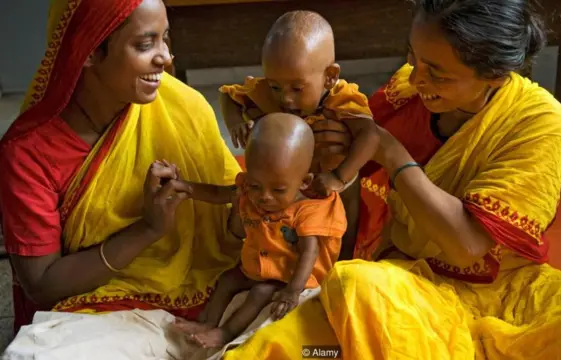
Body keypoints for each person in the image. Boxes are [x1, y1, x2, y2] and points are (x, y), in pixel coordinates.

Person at [221, 1, 561, 359]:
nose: (417, 78)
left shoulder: (538, 119)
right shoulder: (408, 89)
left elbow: (468, 246)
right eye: (414, 58)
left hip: (511, 292)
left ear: (493, 75)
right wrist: (333, 155)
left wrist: (390, 153)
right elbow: (344, 183)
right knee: (347, 296)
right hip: (408, 283)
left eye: (437, 73)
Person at [0, 0, 240, 336]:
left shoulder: (185, 108)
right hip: (94, 309)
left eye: (165, 39)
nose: (166, 57)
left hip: (211, 292)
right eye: (145, 44)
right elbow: (42, 284)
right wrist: (148, 230)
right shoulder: (28, 153)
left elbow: (236, 224)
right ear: (88, 51)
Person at [170, 113, 347, 349]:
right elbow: (218, 194)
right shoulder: (250, 188)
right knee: (226, 280)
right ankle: (207, 322)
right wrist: (186, 187)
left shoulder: (309, 211)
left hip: (291, 275)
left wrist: (292, 292)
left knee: (260, 293)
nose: (264, 196)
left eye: (278, 189)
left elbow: (309, 254)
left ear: (304, 182)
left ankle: (225, 333)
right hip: (256, 266)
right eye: (255, 186)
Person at [220, 11, 379, 200]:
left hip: (332, 180)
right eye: (275, 86)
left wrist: (339, 177)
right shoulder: (264, 90)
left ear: (330, 76)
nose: (285, 98)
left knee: (348, 201)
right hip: (282, 183)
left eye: (297, 88)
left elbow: (370, 136)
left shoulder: (343, 99)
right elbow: (228, 95)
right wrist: (235, 123)